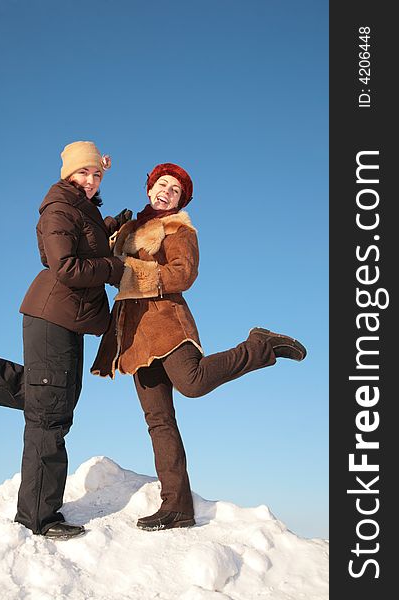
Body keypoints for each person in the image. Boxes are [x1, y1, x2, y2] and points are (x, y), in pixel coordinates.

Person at [91, 162, 307, 531]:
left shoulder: (179, 228)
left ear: (180, 199)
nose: (166, 192)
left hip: (165, 324)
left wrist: (132, 272)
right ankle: (176, 507)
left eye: (175, 190)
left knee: (193, 382)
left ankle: (259, 345)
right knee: (159, 422)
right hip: (133, 336)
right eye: (162, 184)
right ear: (149, 188)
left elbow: (183, 274)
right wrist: (109, 228)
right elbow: (101, 256)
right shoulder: (130, 229)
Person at [0, 141, 131, 540]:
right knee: (49, 415)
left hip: (68, 318)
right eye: (83, 173)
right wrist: (114, 268)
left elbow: (84, 240)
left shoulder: (81, 208)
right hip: (52, 316)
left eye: (97, 174)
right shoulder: (59, 208)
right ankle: (38, 518)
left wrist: (113, 224)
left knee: (59, 398)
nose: (91, 179)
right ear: (68, 174)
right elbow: (64, 265)